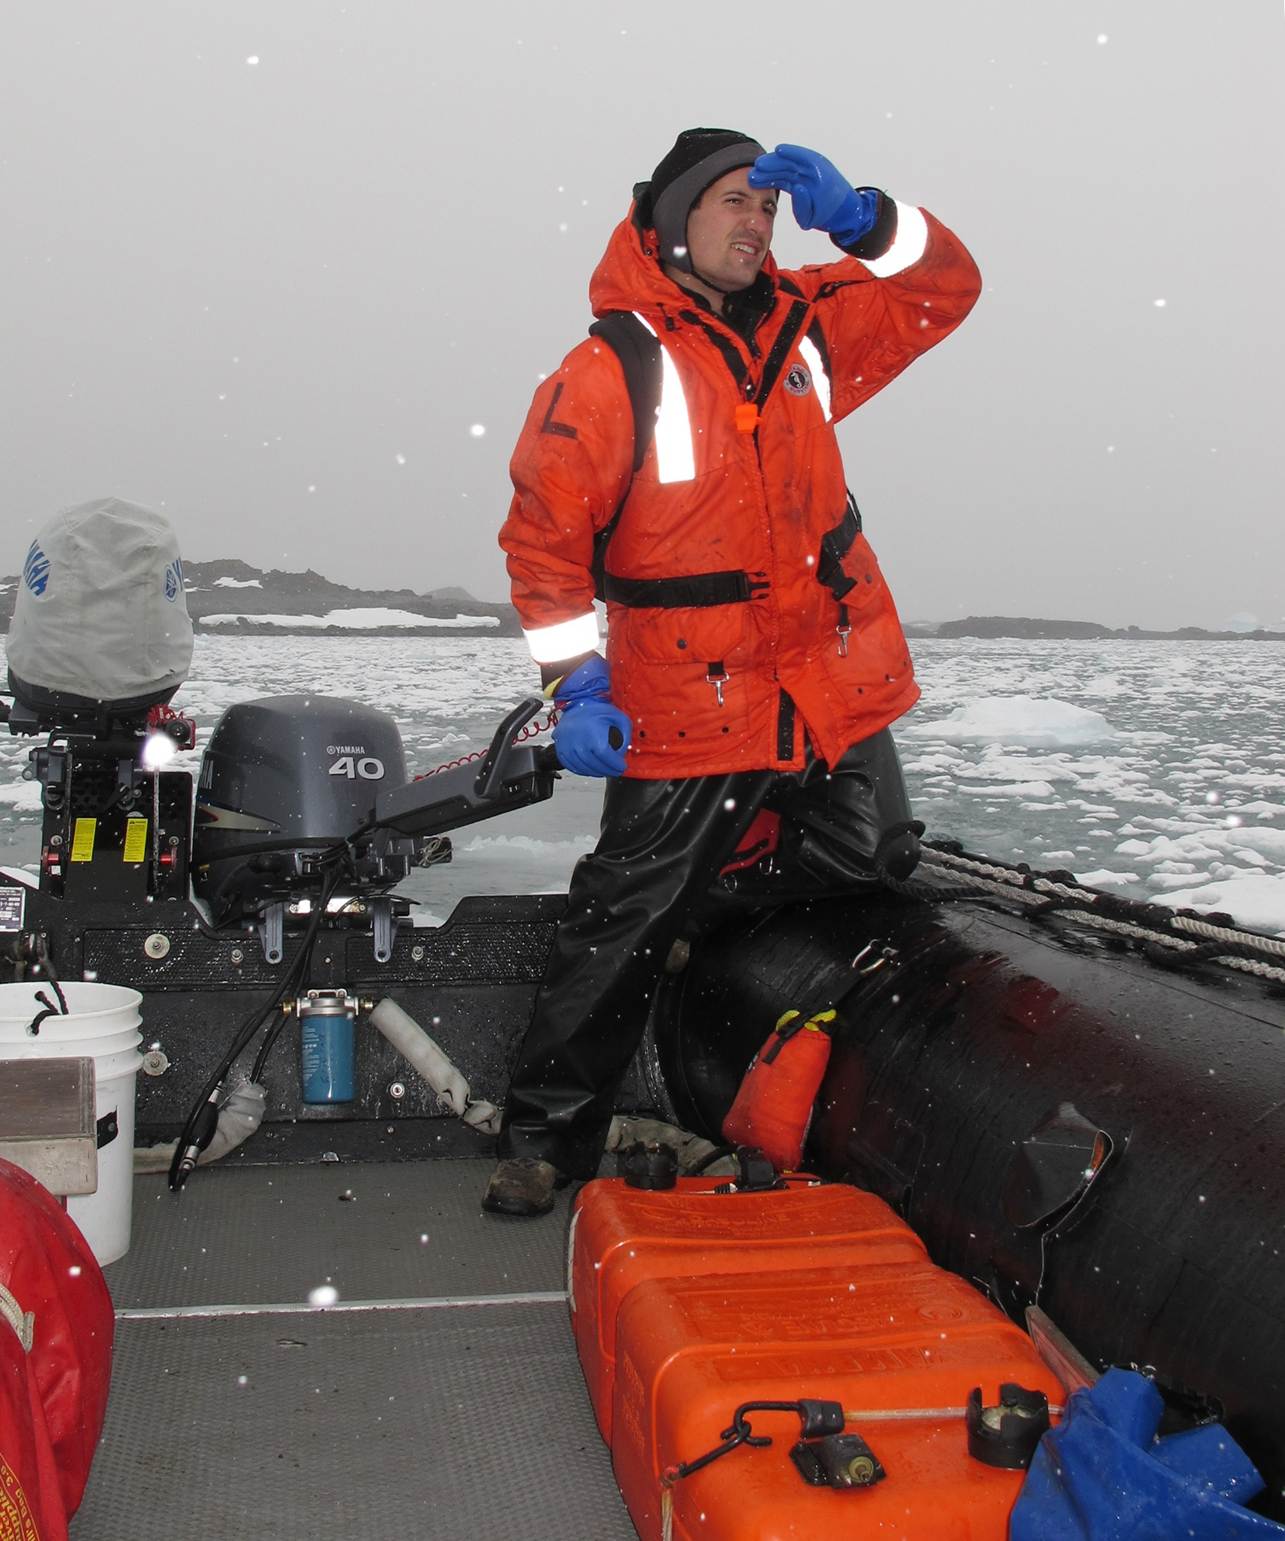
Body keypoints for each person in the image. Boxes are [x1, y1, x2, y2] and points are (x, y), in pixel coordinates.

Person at [484, 128, 981, 1216]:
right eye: (729, 204)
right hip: (686, 695)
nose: (753, 223)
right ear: (670, 222)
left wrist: (866, 221)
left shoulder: (811, 328)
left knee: (870, 855)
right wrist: (578, 684)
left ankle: (711, 922)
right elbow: (545, 542)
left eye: (766, 206)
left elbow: (948, 290)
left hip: (824, 685)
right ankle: (545, 1138)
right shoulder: (614, 363)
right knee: (623, 915)